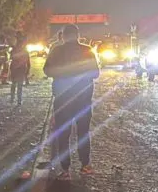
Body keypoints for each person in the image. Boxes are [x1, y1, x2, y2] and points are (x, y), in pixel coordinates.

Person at [43, 24, 100, 179]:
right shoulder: (87, 50)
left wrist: (63, 73)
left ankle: (65, 169)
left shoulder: (56, 51)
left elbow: (47, 70)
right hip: (83, 99)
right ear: (78, 35)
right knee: (83, 132)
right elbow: (95, 73)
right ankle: (85, 165)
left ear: (63, 36)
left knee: (63, 134)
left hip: (63, 100)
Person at [10, 34, 31, 105]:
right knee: (18, 86)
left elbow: (11, 59)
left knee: (15, 85)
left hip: (16, 70)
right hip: (20, 70)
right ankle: (18, 100)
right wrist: (27, 71)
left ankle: (13, 99)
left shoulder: (14, 51)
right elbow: (28, 62)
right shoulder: (25, 51)